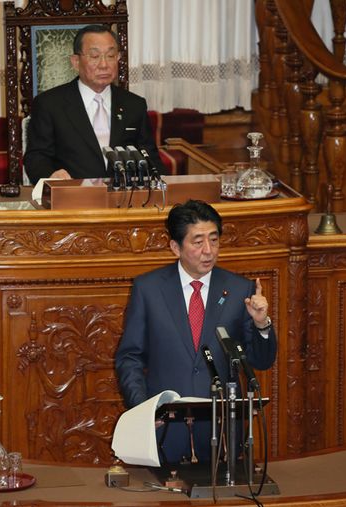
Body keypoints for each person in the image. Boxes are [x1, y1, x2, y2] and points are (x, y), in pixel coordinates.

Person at [115, 199, 277, 464]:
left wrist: (262, 323)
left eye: (214, 240)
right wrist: (143, 410)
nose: (208, 251)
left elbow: (260, 361)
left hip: (221, 430)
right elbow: (129, 357)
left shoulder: (239, 290)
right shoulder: (149, 289)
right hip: (165, 428)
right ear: (175, 247)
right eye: (198, 241)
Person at [24, 24, 165, 185]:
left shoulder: (134, 105)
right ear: (76, 62)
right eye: (95, 56)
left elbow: (150, 157)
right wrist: (52, 176)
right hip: (73, 198)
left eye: (111, 55)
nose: (104, 64)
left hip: (125, 199)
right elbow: (36, 157)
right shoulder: (50, 104)